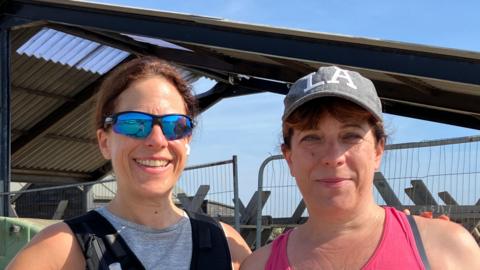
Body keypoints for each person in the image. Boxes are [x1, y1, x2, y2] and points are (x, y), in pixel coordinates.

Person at [7, 57, 251, 270]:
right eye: (134, 123)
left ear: (187, 140)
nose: (157, 140)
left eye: (174, 125)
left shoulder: (229, 248)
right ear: (104, 141)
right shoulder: (60, 251)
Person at [241, 66, 480, 270]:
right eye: (312, 137)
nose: (333, 157)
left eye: (351, 136)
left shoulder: (447, 250)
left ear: (378, 151)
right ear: (289, 157)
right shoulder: (257, 265)